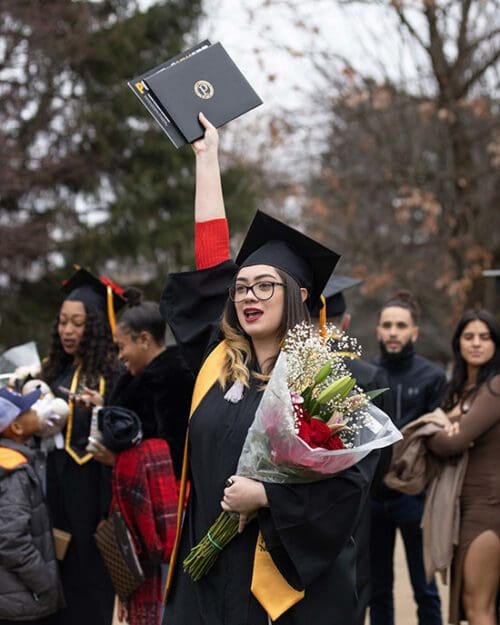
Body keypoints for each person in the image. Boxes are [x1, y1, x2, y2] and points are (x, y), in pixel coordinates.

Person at [159, 113, 379, 625]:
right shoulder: (218, 365)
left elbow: (348, 490)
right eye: (242, 288)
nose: (248, 296)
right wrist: (207, 160)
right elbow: (211, 267)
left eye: (265, 286)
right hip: (208, 579)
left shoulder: (321, 379)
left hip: (281, 590)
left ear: (299, 294)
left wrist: (267, 495)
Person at [87, 291, 194, 625]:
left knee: (164, 603)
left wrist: (117, 462)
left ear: (145, 340)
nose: (120, 357)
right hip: (141, 510)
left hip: (163, 514)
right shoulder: (140, 375)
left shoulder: (171, 378)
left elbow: (170, 454)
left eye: (122, 347)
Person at [40, 267, 125, 625]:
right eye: (63, 322)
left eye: (77, 323)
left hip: (96, 485)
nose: (68, 331)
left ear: (95, 326)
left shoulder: (114, 372)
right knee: (60, 562)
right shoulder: (51, 370)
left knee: (94, 569)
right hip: (56, 482)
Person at [312, 275, 391, 625]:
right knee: (352, 587)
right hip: (355, 506)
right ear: (343, 321)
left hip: (301, 506)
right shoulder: (368, 375)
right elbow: (383, 453)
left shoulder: (289, 372)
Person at [369, 290, 446, 625]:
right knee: (378, 589)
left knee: (424, 586)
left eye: (401, 325)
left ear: (414, 331)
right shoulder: (365, 373)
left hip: (415, 497)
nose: (393, 332)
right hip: (373, 497)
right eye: (387, 325)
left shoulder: (432, 377)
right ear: (378, 330)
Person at [426, 309, 500, 625]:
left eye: (485, 337)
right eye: (469, 337)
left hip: (488, 506)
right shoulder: (460, 389)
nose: (476, 344)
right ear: (458, 343)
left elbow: (453, 443)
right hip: (464, 506)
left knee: (478, 606)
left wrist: (433, 435)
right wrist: (444, 432)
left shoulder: (496, 386)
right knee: (470, 604)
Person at [0, 387, 64, 624]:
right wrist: (45, 582)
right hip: (19, 603)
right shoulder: (12, 472)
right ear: (15, 428)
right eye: (28, 409)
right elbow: (10, 539)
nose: (36, 411)